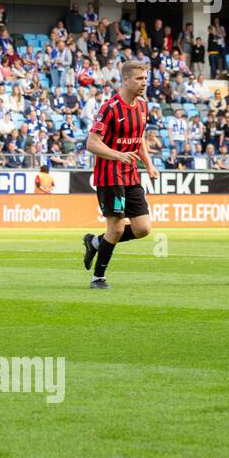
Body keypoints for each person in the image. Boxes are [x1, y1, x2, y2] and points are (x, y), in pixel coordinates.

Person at [81, 60, 158, 289]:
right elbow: (91, 143)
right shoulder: (110, 108)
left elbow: (139, 138)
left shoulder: (143, 106)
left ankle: (96, 243)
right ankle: (98, 278)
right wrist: (118, 155)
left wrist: (149, 164)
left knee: (143, 228)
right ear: (125, 79)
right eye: (139, 79)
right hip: (110, 176)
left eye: (145, 78)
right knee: (115, 228)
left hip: (131, 174)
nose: (144, 83)